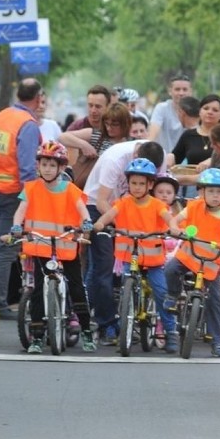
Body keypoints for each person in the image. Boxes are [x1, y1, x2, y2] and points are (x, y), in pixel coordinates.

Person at [10, 142, 95, 353]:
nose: (47, 168)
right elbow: (21, 210)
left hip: (66, 246)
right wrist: (16, 226)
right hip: (40, 246)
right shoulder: (30, 188)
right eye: (44, 164)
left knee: (76, 288)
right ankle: (37, 337)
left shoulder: (70, 190)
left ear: (60, 168)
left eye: (51, 164)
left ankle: (85, 330)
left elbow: (82, 210)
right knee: (38, 290)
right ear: (38, 166)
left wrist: (86, 222)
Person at [91, 158, 180, 353]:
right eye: (133, 183)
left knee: (161, 292)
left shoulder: (157, 204)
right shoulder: (123, 202)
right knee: (125, 288)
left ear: (150, 185)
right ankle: (125, 328)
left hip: (153, 260)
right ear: (128, 183)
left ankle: (171, 332)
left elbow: (168, 218)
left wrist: (173, 227)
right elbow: (109, 215)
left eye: (142, 184)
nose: (137, 187)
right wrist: (99, 224)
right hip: (128, 257)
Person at [84, 140, 166, 344]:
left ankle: (134, 313)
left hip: (132, 211)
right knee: (104, 266)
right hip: (100, 207)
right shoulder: (115, 160)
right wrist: (120, 224)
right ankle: (107, 323)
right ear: (135, 154)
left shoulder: (158, 157)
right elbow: (103, 201)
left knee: (123, 265)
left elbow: (158, 197)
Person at [164, 168, 220, 358]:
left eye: (219, 192)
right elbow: (176, 220)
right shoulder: (193, 207)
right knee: (170, 269)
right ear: (202, 192)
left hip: (210, 265)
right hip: (189, 257)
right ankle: (173, 295)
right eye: (211, 191)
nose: (215, 196)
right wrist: (175, 228)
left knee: (216, 301)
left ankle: (217, 341)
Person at [0, 78, 44, 319]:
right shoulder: (27, 124)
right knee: (7, 248)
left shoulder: (1, 116)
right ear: (38, 97)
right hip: (12, 192)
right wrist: (30, 198)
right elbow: (28, 167)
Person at [169, 94, 220, 186]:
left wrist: (212, 160)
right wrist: (169, 157)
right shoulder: (188, 135)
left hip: (218, 186)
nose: (210, 112)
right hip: (192, 187)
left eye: (215, 110)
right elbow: (175, 158)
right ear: (200, 112)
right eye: (206, 108)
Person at [59, 102, 132, 161]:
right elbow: (62, 137)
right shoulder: (97, 136)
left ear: (125, 124)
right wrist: (84, 145)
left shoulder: (132, 143)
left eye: (114, 125)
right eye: (107, 123)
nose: (109, 128)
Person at [148, 73, 193, 153]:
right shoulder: (161, 108)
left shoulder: (196, 110)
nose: (181, 93)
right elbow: (153, 132)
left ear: (190, 92)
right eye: (177, 89)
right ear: (170, 91)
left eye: (185, 89)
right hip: (164, 156)